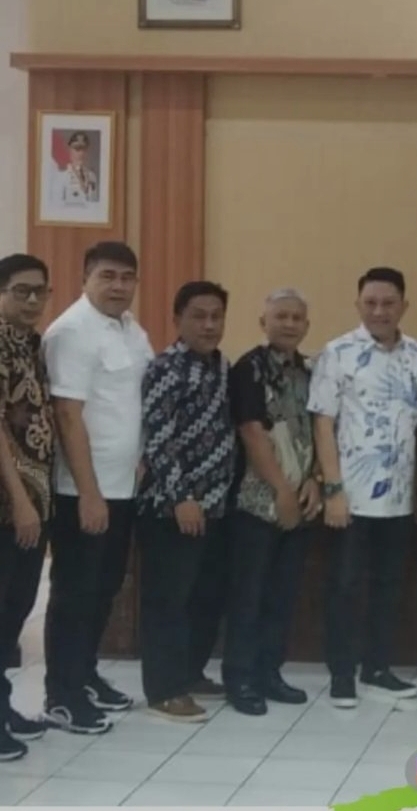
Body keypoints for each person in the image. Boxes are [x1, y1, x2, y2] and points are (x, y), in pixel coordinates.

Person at [42, 241, 154, 735]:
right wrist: (88, 492)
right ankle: (61, 696)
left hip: (123, 486)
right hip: (82, 491)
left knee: (104, 589)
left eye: (127, 277)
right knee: (75, 593)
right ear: (85, 278)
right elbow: (68, 415)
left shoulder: (131, 329)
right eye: (107, 276)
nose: (118, 286)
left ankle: (85, 676)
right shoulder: (72, 331)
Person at [308, 268, 417, 708]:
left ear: (403, 306)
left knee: (388, 586)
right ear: (358, 305)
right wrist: (333, 489)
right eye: (371, 303)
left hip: (399, 497)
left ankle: (378, 668)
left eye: (388, 303)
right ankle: (342, 674)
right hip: (351, 497)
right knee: (344, 586)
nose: (379, 311)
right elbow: (323, 423)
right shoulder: (337, 352)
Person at [137, 282, 235, 723]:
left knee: (204, 597)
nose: (209, 325)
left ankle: (190, 673)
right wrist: (182, 497)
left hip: (215, 508)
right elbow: (159, 440)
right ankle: (164, 690)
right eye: (199, 316)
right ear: (177, 319)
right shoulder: (165, 369)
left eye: (216, 316)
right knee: (168, 601)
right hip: (172, 508)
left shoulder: (222, 367)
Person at [222, 289, 320, 716]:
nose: (289, 324)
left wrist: (315, 480)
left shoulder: (310, 372)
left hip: (301, 502)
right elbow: (251, 432)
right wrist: (281, 491)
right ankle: (240, 678)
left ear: (307, 326)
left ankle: (269, 673)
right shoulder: (249, 369)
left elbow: (319, 429)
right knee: (249, 595)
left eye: (297, 318)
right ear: (264, 323)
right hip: (257, 503)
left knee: (282, 595)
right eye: (281, 316)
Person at [0, 255, 54, 760]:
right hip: (9, 502)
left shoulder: (32, 344)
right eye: (22, 291)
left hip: (35, 500)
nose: (33, 300)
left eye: (40, 291)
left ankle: (3, 707)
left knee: (16, 607)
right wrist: (19, 499)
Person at [53, 132, 98, 208]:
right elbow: (56, 206)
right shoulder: (61, 176)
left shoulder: (92, 176)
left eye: (84, 149)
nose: (81, 153)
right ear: (70, 150)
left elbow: (94, 204)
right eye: (77, 149)